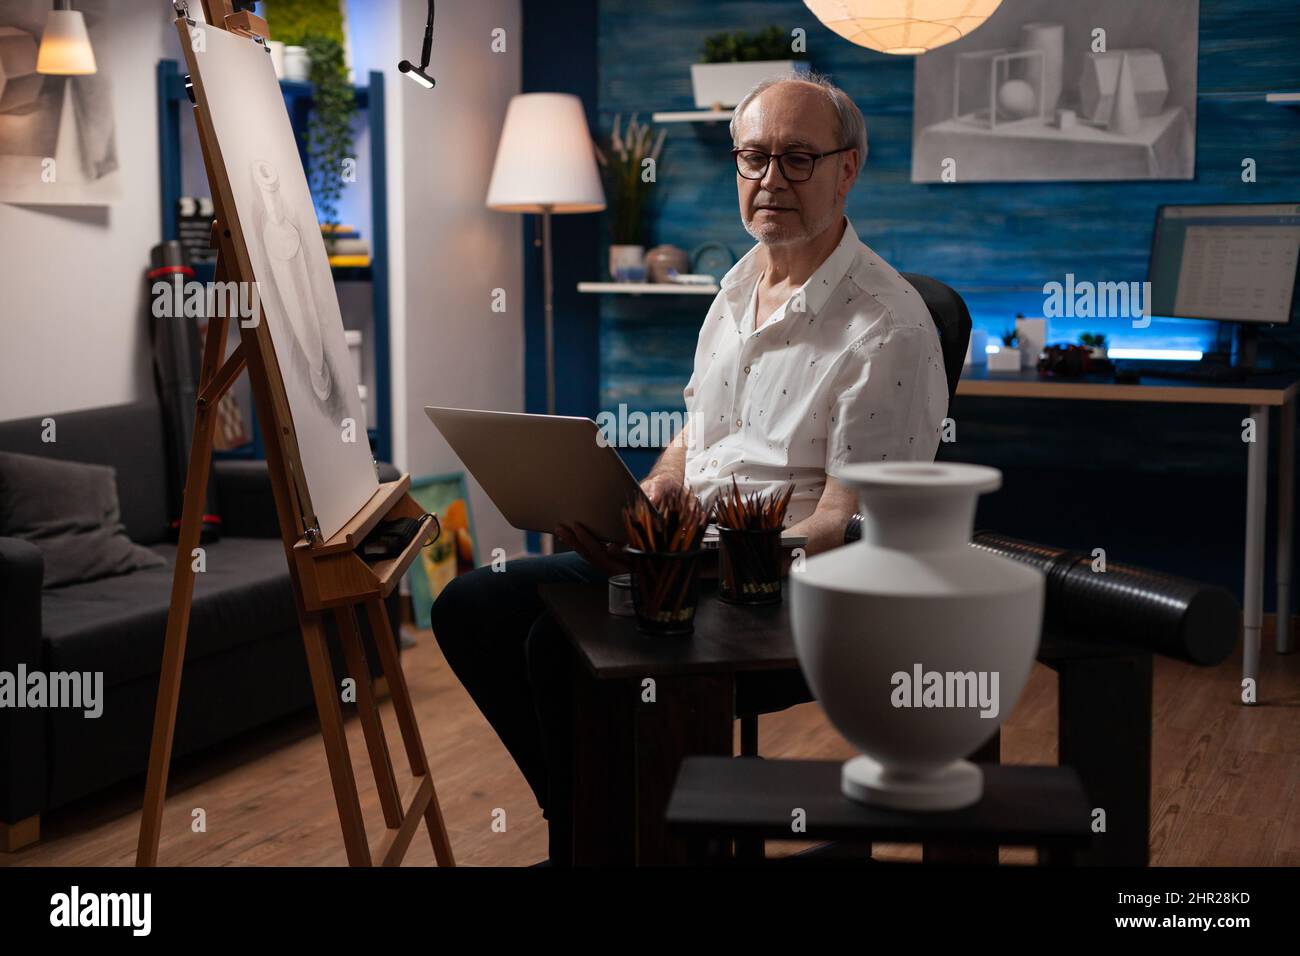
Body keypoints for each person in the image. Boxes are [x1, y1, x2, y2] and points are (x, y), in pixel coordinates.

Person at [430, 70, 949, 864]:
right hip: (678, 554)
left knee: (551, 646)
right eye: (753, 158)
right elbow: (697, 436)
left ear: (848, 169)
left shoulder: (886, 329)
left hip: (781, 593)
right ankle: (610, 830)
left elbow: (840, 531)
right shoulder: (737, 286)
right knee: (471, 606)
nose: (770, 180)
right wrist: (649, 500)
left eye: (798, 159)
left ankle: (612, 838)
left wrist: (687, 560)